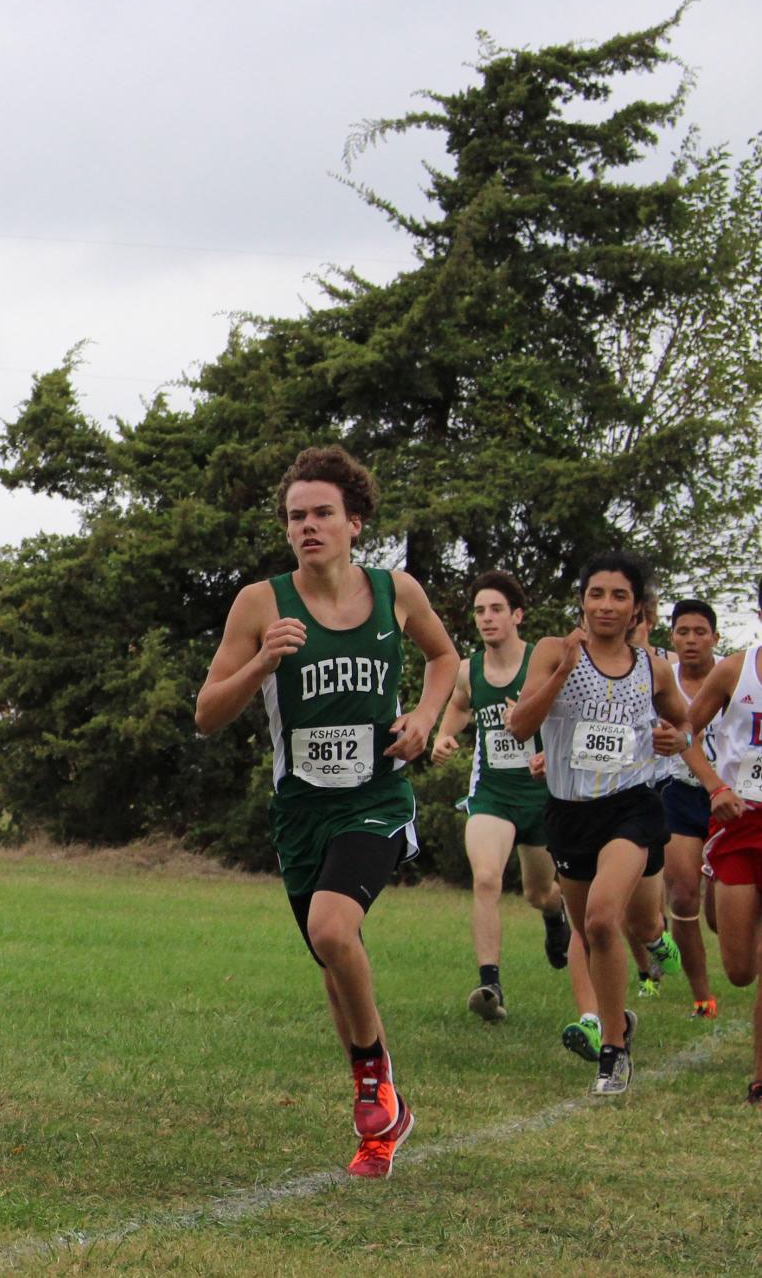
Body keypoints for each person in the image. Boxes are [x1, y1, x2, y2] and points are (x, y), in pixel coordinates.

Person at [196, 445, 458, 1179]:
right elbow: (206, 714)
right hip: (300, 811)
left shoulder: (393, 590)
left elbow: (443, 660)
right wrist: (259, 663)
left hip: (376, 799)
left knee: (332, 928)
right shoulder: (260, 603)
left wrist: (424, 722)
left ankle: (375, 1077)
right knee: (332, 958)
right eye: (294, 517)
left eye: (321, 514)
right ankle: (383, 1121)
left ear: (354, 522)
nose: (306, 527)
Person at [507, 552, 691, 1095]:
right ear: (582, 600)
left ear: (636, 607)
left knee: (606, 920)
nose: (606, 605)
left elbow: (682, 719)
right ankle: (621, 1024)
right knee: (591, 930)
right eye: (596, 594)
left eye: (618, 596)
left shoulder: (652, 665)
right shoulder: (550, 652)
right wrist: (563, 671)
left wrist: (676, 739)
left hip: (630, 808)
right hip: (569, 813)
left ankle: (611, 1052)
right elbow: (519, 726)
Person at [431, 571, 571, 1023]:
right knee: (487, 878)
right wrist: (444, 737)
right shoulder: (470, 668)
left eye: (496, 610)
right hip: (491, 794)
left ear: (517, 615)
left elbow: (570, 718)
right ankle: (489, 984)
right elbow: (457, 703)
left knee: (538, 892)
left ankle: (555, 917)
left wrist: (552, 754)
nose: (487, 619)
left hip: (542, 796)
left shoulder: (541, 662)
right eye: (479, 611)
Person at [675, 612, 762, 1104]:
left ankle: (759, 1078)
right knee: (740, 970)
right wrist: (715, 786)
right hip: (739, 823)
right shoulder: (734, 671)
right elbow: (683, 733)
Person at [660, 598, 723, 1018]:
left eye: (700, 632)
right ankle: (702, 996)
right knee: (683, 897)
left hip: (729, 798)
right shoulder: (662, 680)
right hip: (678, 793)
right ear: (673, 638)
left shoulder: (733, 677)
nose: (691, 640)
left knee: (723, 915)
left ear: (715, 638)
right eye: (683, 632)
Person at [624, 588, 684, 999]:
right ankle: (647, 973)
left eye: (638, 618)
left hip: (665, 784)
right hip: (613, 788)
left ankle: (658, 936)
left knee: (652, 893)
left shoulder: (668, 665)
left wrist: (678, 738)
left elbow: (689, 721)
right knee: (621, 897)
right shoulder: (594, 663)